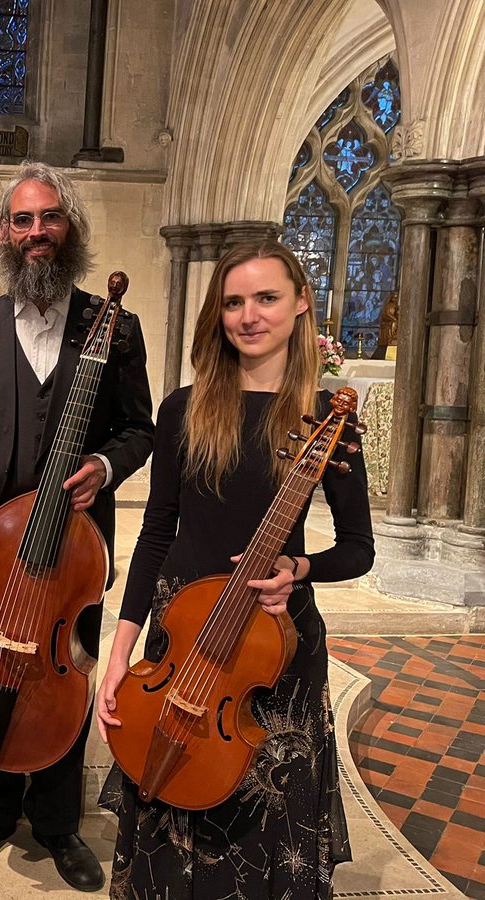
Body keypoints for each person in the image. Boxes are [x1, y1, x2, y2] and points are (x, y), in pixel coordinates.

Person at [95, 241, 375, 899]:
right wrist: (119, 657)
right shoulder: (184, 408)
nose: (249, 315)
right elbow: (157, 532)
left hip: (271, 653)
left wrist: (299, 567)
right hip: (184, 635)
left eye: (267, 298)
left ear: (302, 302)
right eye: (233, 301)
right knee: (172, 809)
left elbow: (358, 548)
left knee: (266, 828)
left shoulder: (328, 418)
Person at [0, 162, 154, 891]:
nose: (37, 233)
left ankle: (59, 823)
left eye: (50, 219)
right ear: (5, 233)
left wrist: (104, 462)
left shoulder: (114, 328)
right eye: (23, 221)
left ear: (71, 229)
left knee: (62, 681)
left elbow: (140, 429)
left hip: (73, 558)